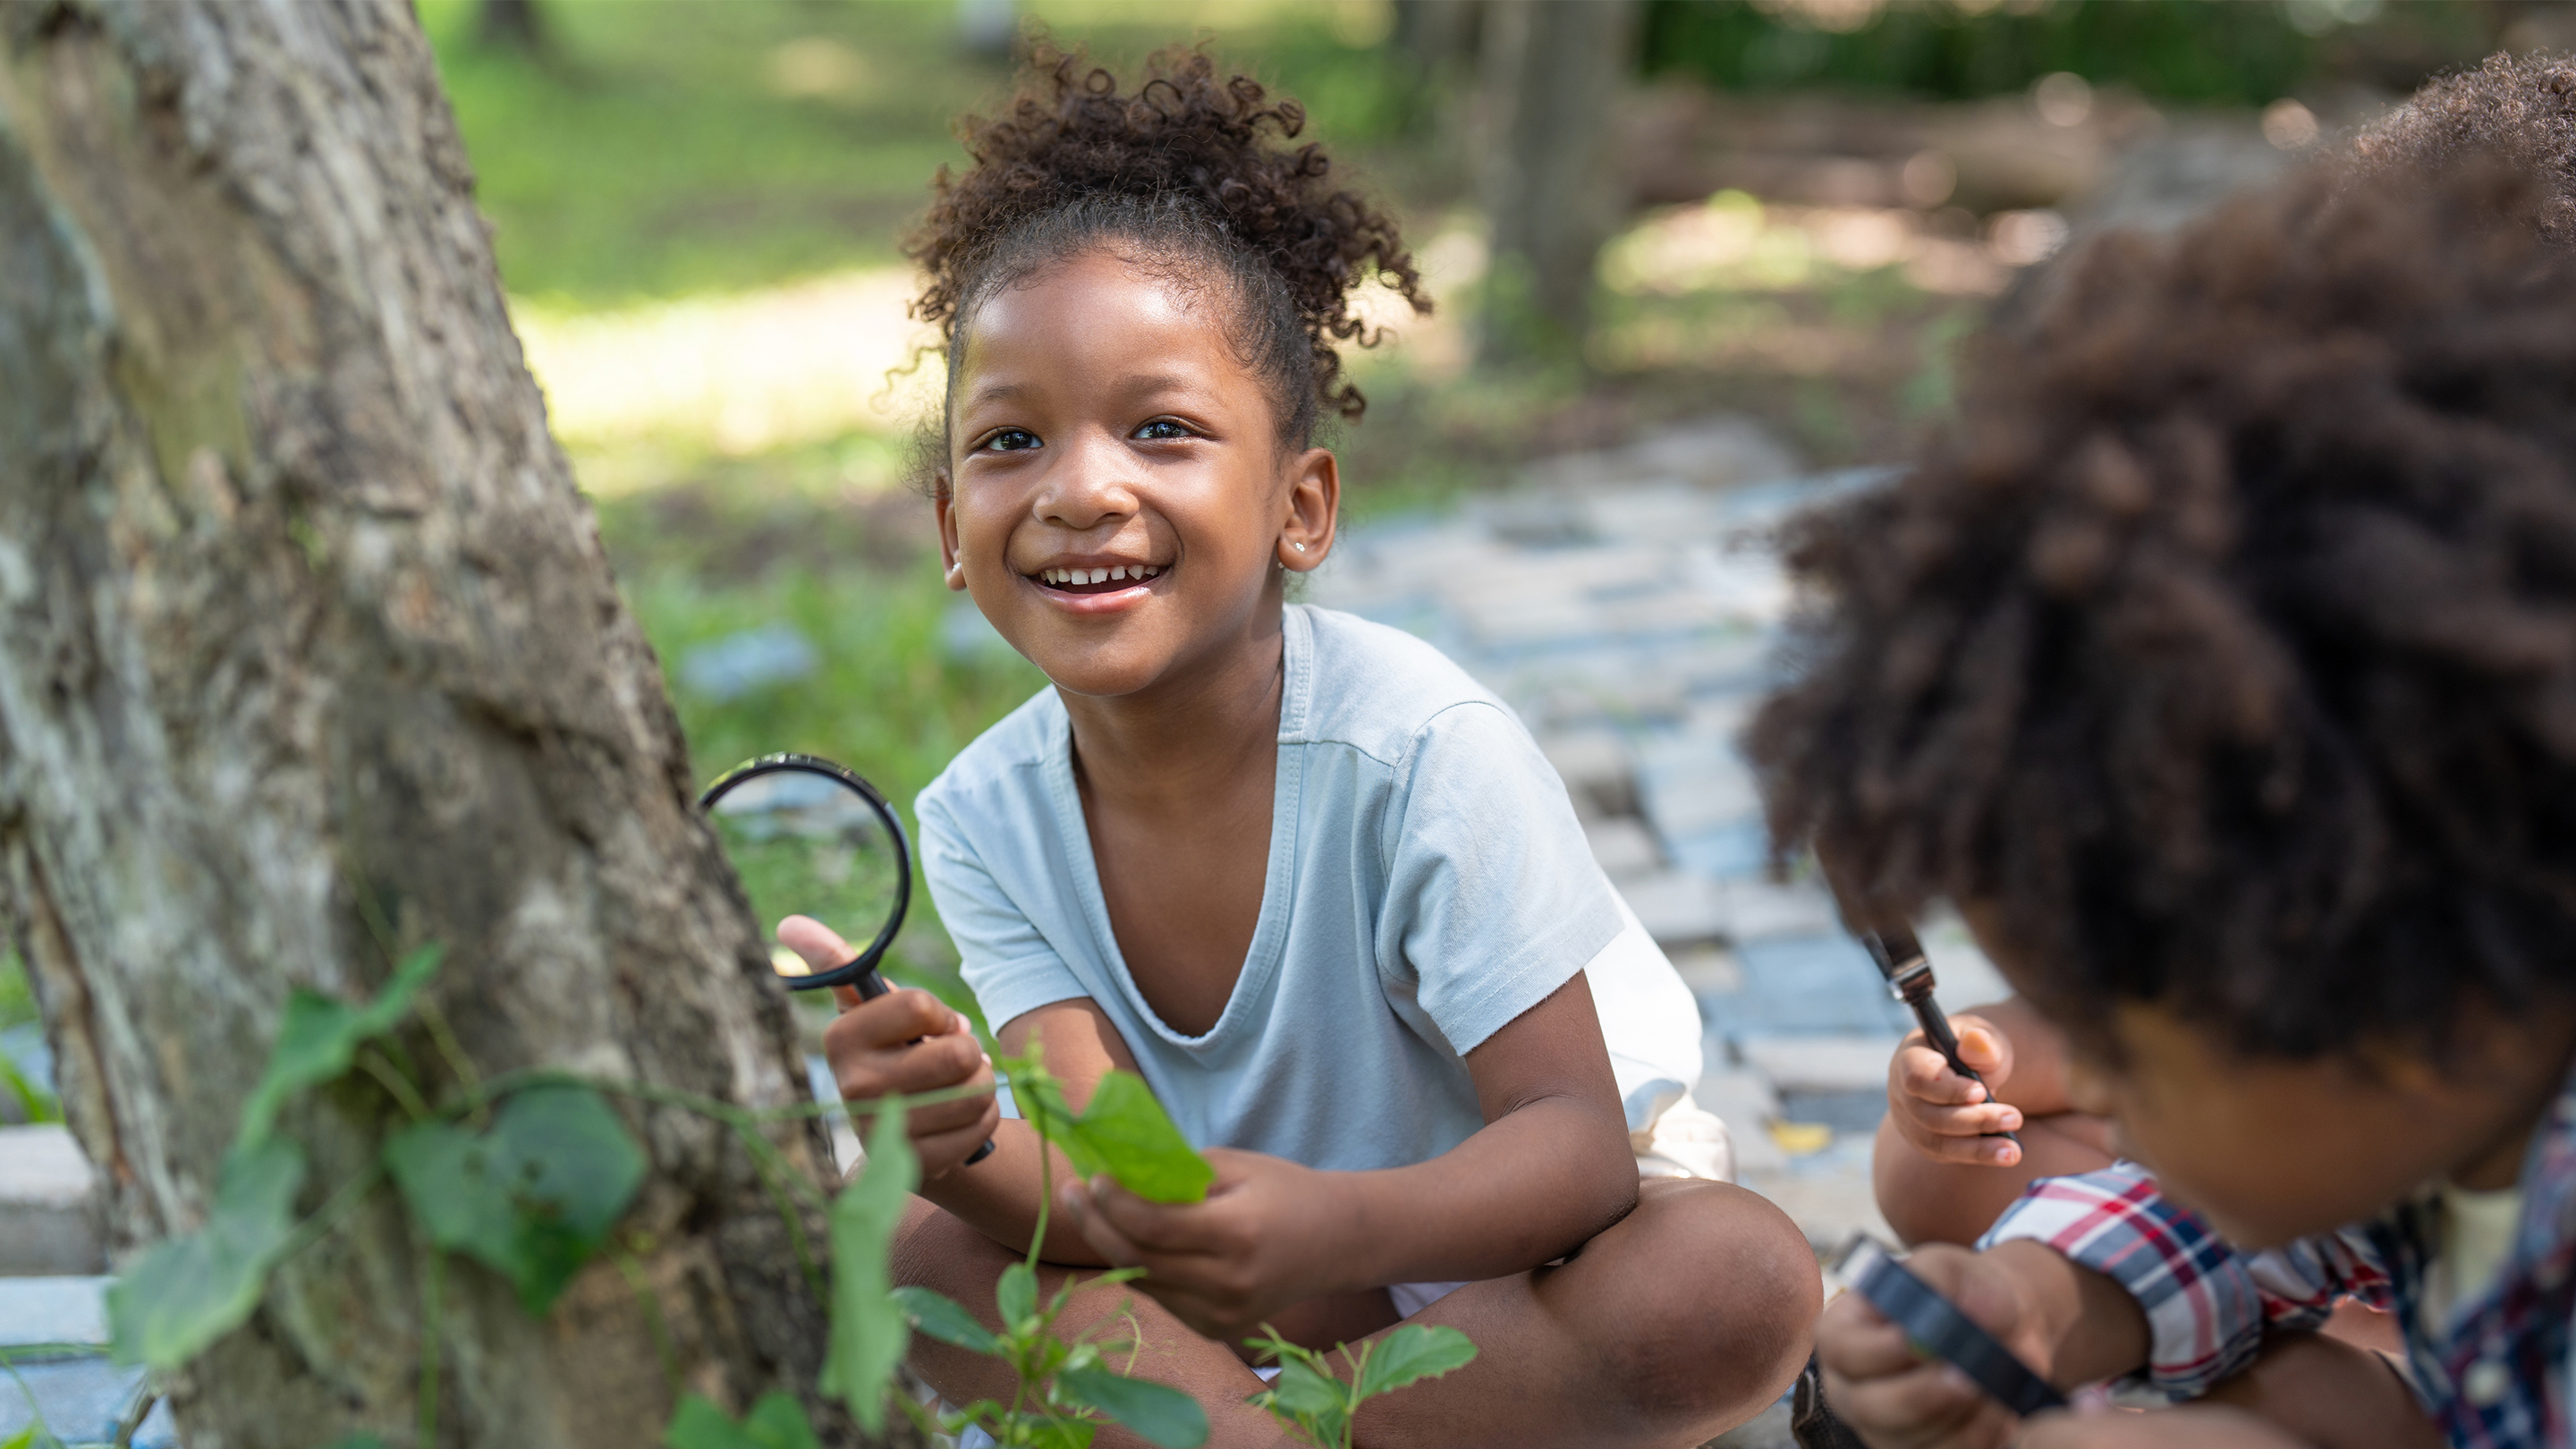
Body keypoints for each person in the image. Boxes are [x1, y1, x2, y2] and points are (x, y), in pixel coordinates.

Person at [792, 47, 1820, 1449]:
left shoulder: (1417, 748)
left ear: (1301, 508)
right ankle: (1260, 1429)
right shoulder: (985, 814)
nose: (1081, 489)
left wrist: (1335, 1224)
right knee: (912, 1238)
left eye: (1162, 429)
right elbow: (1107, 1197)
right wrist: (958, 1145)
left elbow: (1575, 1153)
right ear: (949, 534)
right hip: (1224, 1297)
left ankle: (1283, 1430)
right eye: (1012, 440)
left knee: (1734, 1276)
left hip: (1510, 1269)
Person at [1747, 83, 2576, 1449]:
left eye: (2138, 1050)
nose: (2105, 1096)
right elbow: (2230, 1208)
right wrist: (2026, 1298)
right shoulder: (2435, 1050)